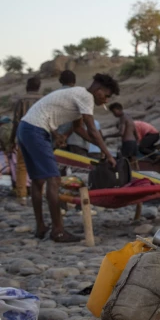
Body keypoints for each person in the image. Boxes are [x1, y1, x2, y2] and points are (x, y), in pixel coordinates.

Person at [16, 73, 118, 242]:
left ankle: (41, 227)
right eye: (106, 96)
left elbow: (79, 128)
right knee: (54, 179)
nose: (106, 100)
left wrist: (98, 146)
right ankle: (58, 231)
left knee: (37, 180)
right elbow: (92, 128)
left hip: (25, 128)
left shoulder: (77, 94)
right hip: (36, 130)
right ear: (99, 90)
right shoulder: (86, 97)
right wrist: (108, 154)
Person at [10, 77, 42, 204]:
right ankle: (39, 192)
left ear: (27, 86)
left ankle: (22, 195)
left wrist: (12, 140)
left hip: (23, 137)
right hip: (40, 137)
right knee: (39, 166)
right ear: (39, 86)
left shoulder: (21, 100)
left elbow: (16, 122)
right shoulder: (44, 99)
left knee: (21, 166)